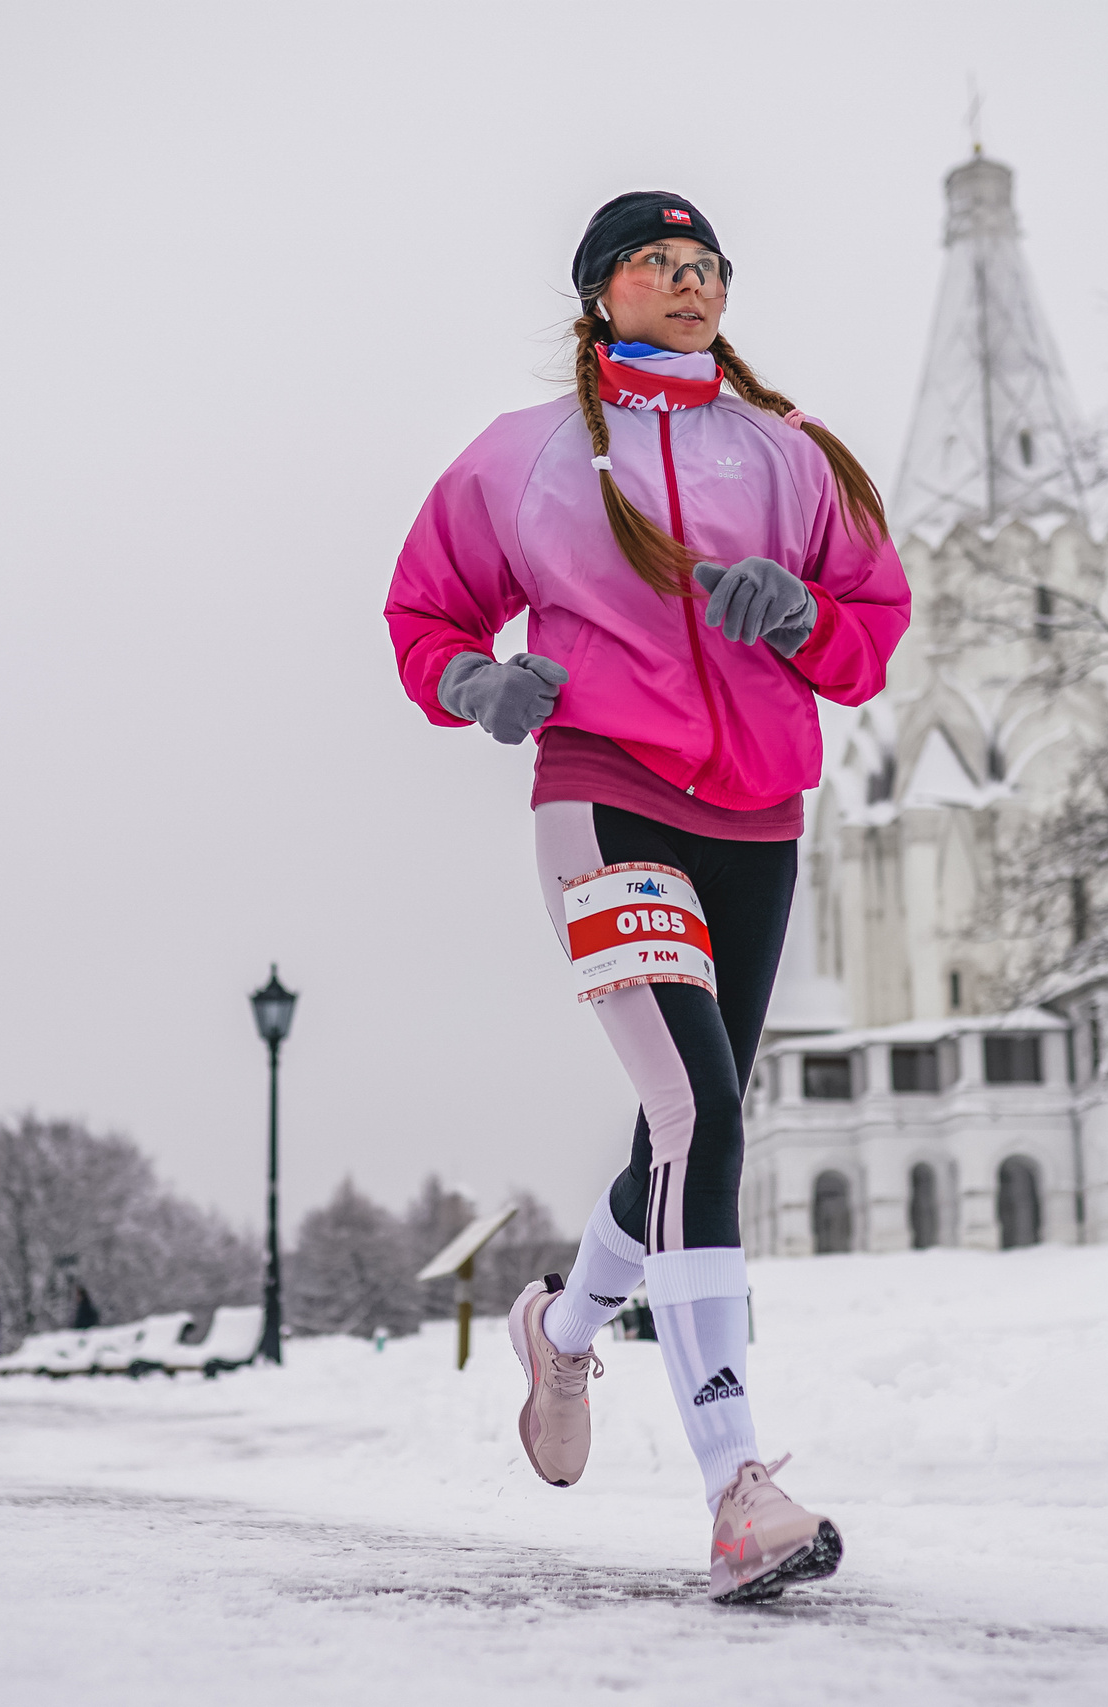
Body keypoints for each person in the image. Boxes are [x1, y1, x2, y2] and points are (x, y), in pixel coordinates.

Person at [383, 190, 906, 1604]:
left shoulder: (792, 456)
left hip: (759, 814)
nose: (692, 282)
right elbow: (425, 607)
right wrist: (472, 683)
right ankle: (739, 1484)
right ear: (600, 291)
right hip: (603, 795)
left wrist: (804, 617)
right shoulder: (525, 456)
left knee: (682, 1118)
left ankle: (564, 1326)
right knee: (703, 1110)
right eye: (661, 263)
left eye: (710, 265)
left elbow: (875, 625)